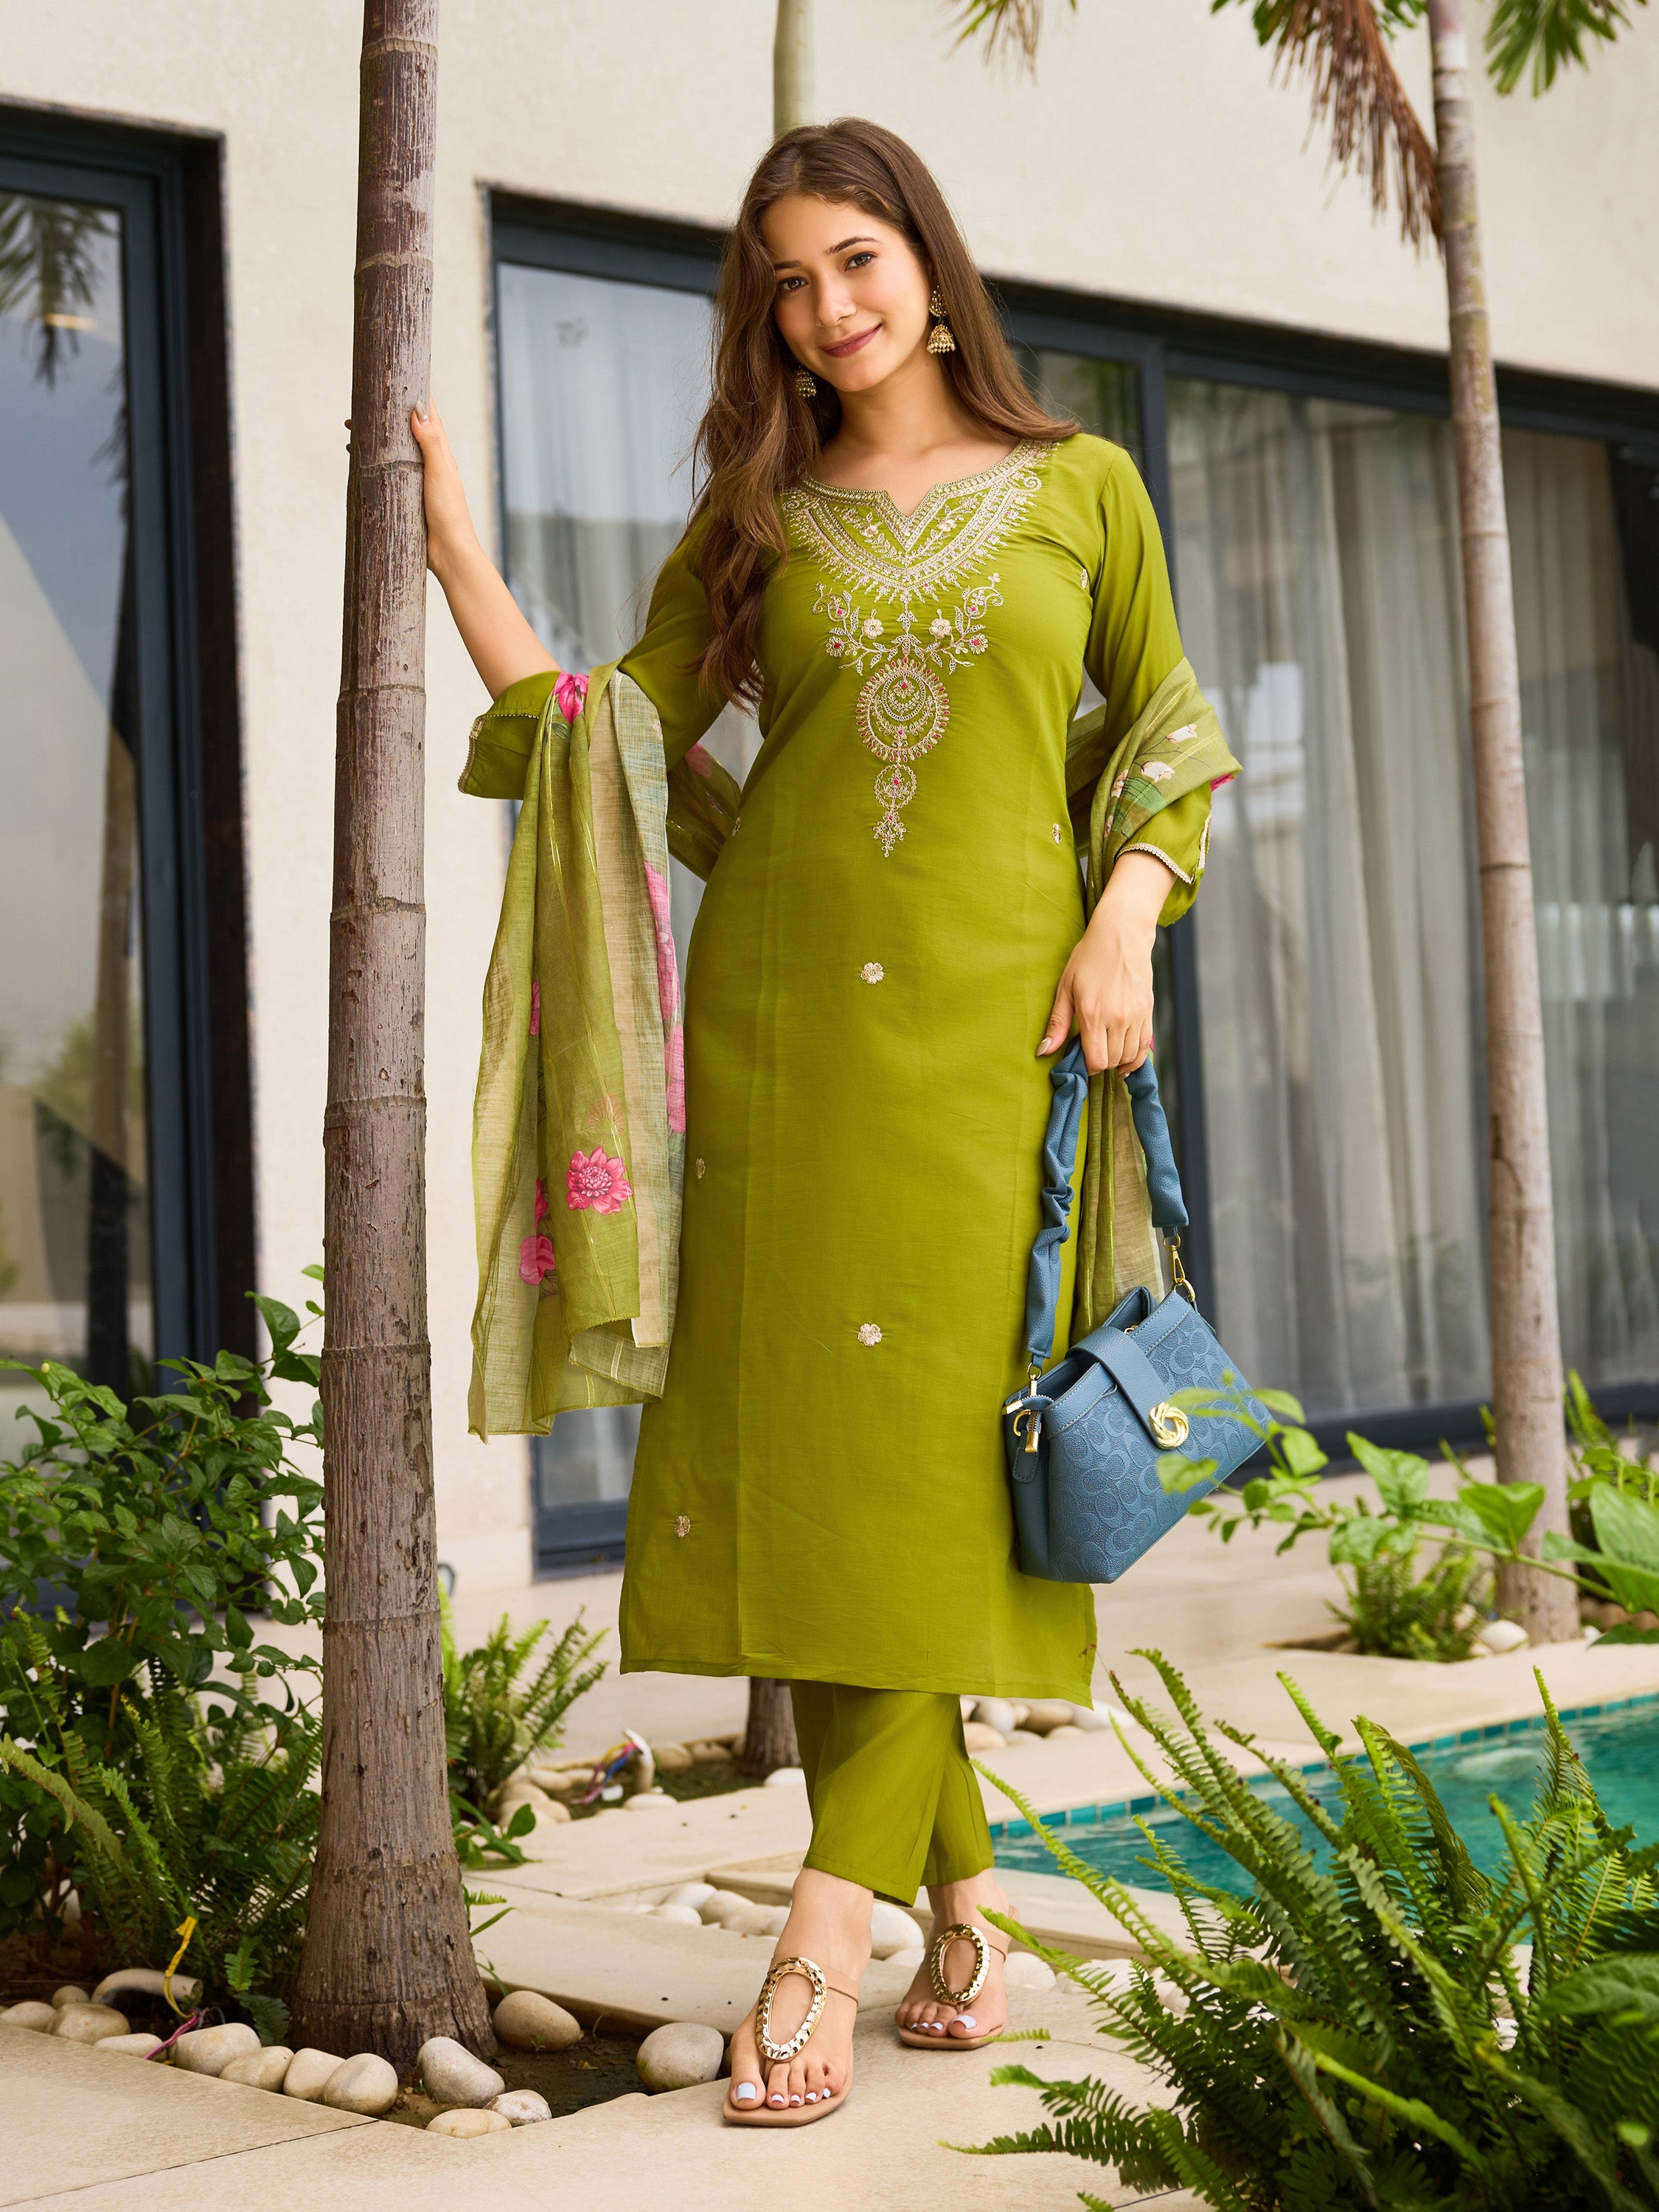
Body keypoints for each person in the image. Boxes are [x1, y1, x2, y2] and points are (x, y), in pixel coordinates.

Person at [415, 117, 1224, 2128]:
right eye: (784, 281)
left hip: (995, 1042)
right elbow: (605, 736)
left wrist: (1126, 911)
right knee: (840, 1475)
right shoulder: (758, 516)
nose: (823, 306)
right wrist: (450, 549)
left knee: (942, 1470)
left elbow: (1171, 730)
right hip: (778, 1040)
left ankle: (823, 1926)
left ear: (926, 267)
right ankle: (944, 1907)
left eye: (851, 259)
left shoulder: (1078, 489)